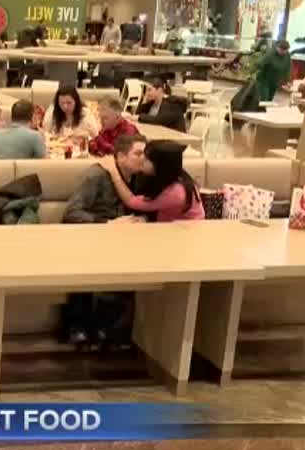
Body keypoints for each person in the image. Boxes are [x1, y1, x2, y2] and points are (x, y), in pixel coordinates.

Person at [62, 134, 149, 348]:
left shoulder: (140, 178)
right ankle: (80, 327)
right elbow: (71, 212)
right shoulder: (96, 176)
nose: (143, 159)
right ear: (120, 156)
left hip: (125, 242)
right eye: (138, 153)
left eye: (145, 154)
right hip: (91, 237)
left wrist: (142, 218)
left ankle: (110, 330)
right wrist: (108, 223)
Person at [101, 139, 204, 222]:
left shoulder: (176, 192)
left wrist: (113, 171)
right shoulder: (168, 176)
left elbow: (131, 201)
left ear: (159, 165)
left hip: (184, 232)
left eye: (146, 159)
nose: (141, 159)